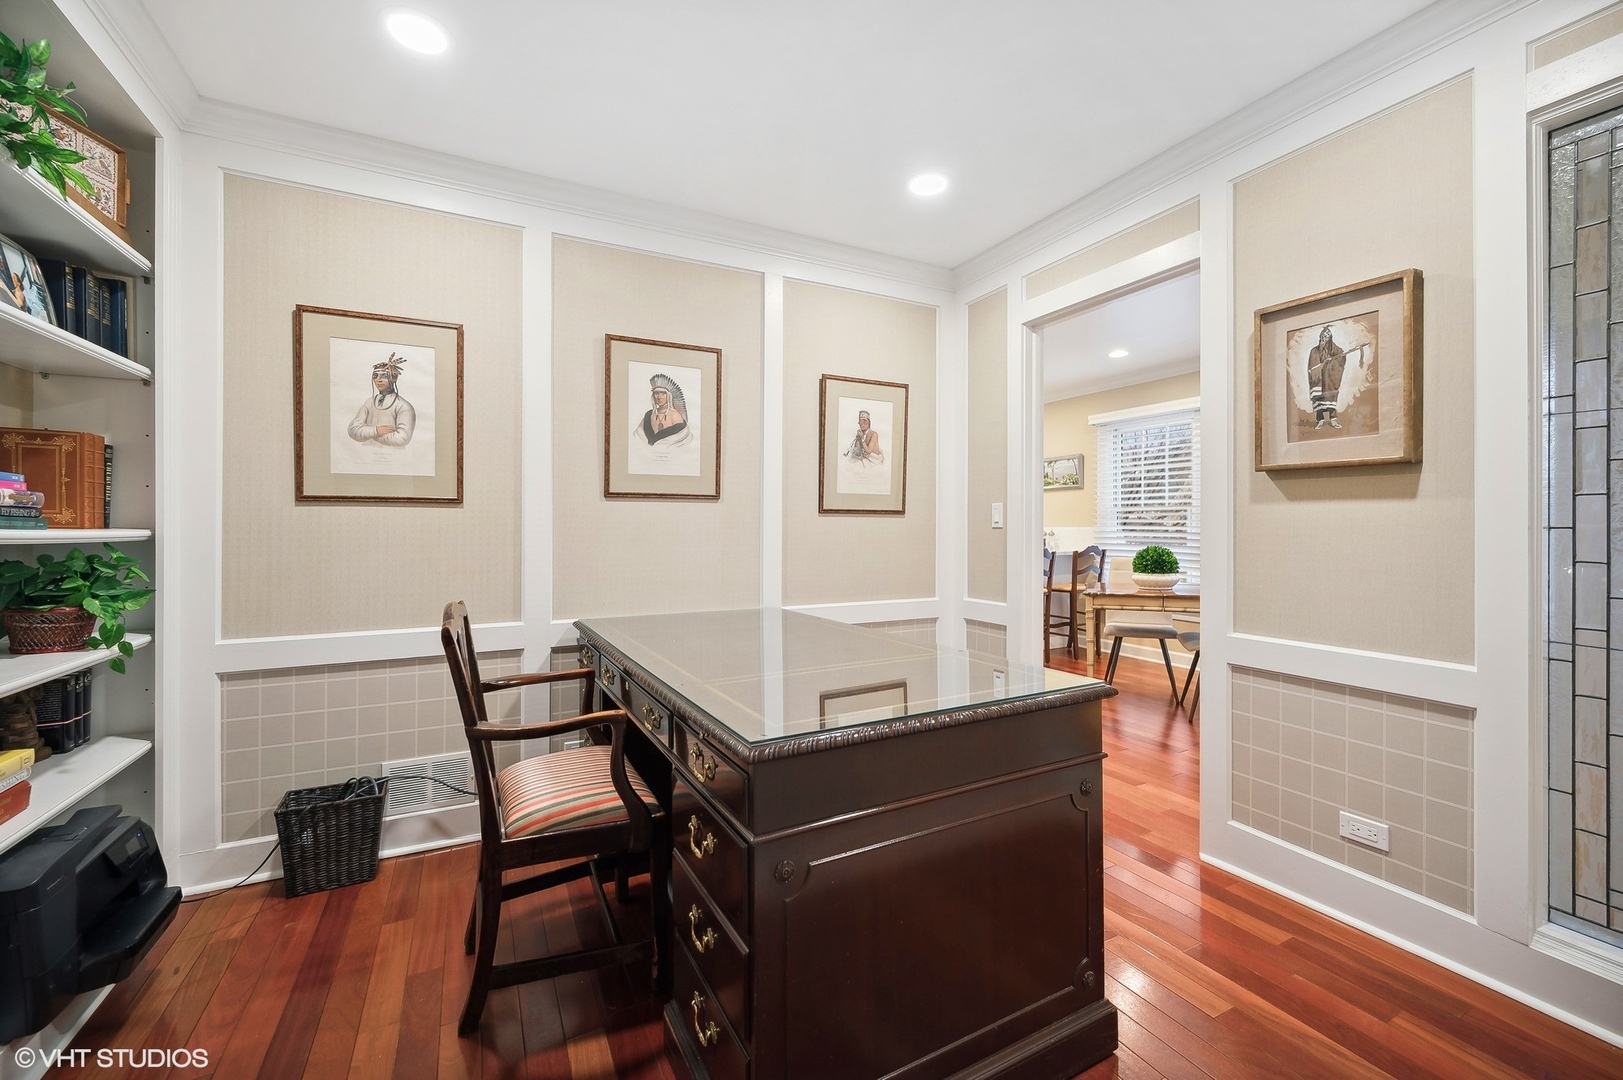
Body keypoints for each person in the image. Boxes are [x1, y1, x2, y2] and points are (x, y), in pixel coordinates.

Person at [347, 353, 416, 447]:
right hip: (366, 454)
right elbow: (353, 430)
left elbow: (402, 439)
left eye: (384, 376)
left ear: (394, 378)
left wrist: (368, 433)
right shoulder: (370, 402)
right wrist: (376, 431)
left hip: (394, 456)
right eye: (375, 376)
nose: (379, 380)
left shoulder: (403, 406)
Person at [1306, 325, 1347, 429]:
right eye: (1323, 337)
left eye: (1326, 337)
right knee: (1318, 398)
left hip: (1329, 379)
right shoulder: (1314, 351)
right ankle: (1320, 420)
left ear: (1330, 338)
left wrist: (1331, 362)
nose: (1324, 339)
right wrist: (1318, 369)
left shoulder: (1335, 350)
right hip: (1318, 380)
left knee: (1330, 396)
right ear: (1320, 337)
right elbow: (1312, 365)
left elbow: (1341, 356)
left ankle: (1333, 420)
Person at [634, 372, 690, 447]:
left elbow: (678, 440)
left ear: (669, 396)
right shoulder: (649, 415)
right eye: (656, 393)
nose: (659, 397)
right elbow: (638, 436)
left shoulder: (675, 416)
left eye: (663, 393)